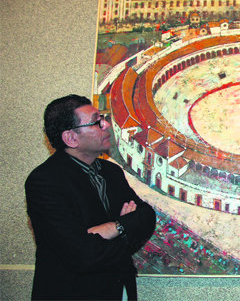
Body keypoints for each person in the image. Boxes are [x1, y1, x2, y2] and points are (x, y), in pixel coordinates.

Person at [25, 95, 156, 300]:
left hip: (118, 290)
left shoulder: (111, 171)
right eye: (96, 121)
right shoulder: (45, 181)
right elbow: (82, 254)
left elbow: (147, 216)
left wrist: (112, 228)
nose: (105, 124)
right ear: (71, 138)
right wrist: (123, 226)